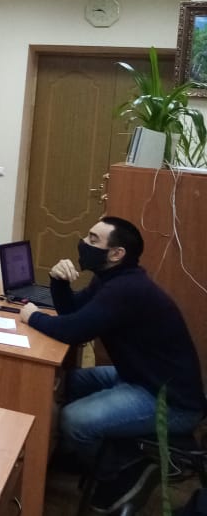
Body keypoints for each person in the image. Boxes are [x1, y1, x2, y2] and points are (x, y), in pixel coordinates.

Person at [20, 216, 206, 512]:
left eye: (93, 239)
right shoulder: (110, 280)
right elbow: (73, 313)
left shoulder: (127, 290)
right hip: (138, 378)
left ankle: (120, 472)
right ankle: (78, 453)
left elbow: (73, 331)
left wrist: (32, 316)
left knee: (73, 420)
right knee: (63, 382)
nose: (84, 243)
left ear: (117, 253)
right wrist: (58, 282)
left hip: (170, 403)